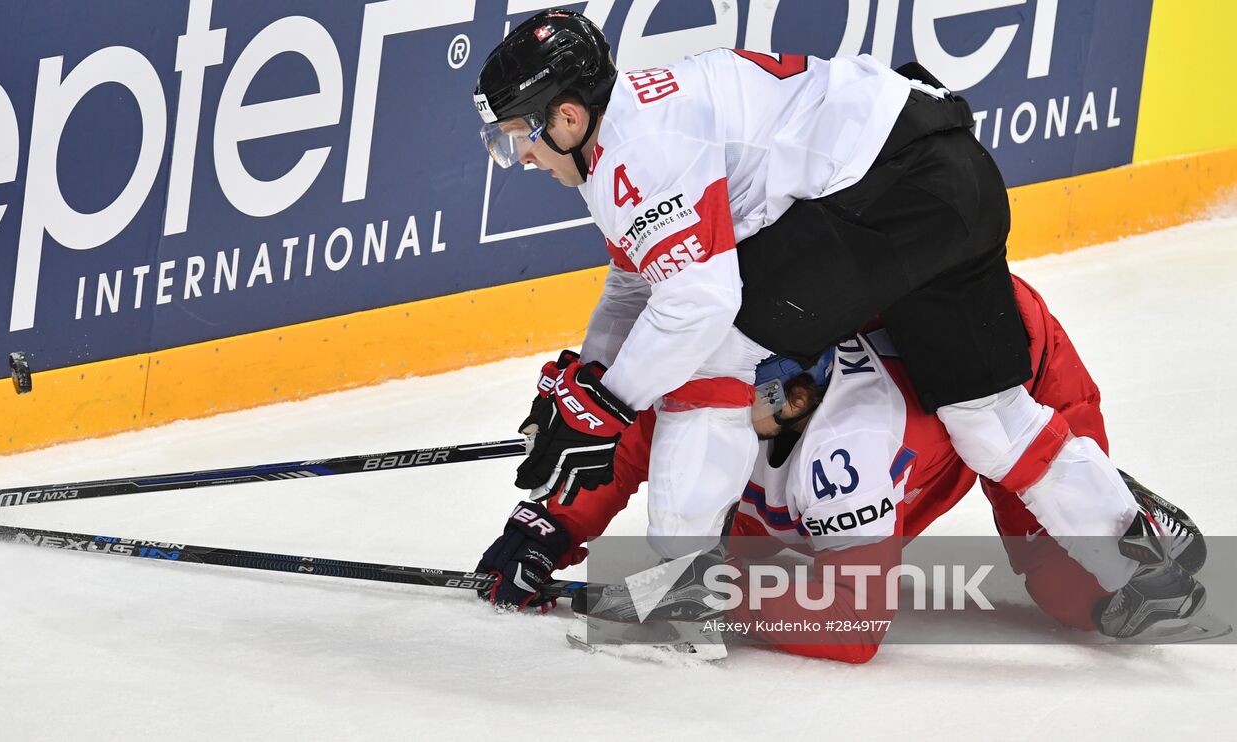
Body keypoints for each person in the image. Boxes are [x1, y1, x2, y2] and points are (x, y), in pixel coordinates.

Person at [472, 10, 1147, 597]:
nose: (519, 157)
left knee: (714, 360)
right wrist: (589, 381)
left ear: (566, 116)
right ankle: (1140, 560)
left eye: (515, 137)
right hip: (954, 179)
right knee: (989, 418)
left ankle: (683, 590)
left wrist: (609, 403)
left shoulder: (640, 151)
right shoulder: (624, 135)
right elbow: (631, 285)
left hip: (890, 194)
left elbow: (698, 306)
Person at [477, 276, 1215, 660]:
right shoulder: (731, 368)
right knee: (741, 541)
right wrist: (552, 519)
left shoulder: (846, 451)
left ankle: (1123, 518)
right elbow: (644, 427)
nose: (740, 412)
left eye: (764, 402)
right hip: (880, 357)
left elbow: (854, 622)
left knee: (1072, 597)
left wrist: (710, 597)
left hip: (1005, 360)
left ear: (805, 394)